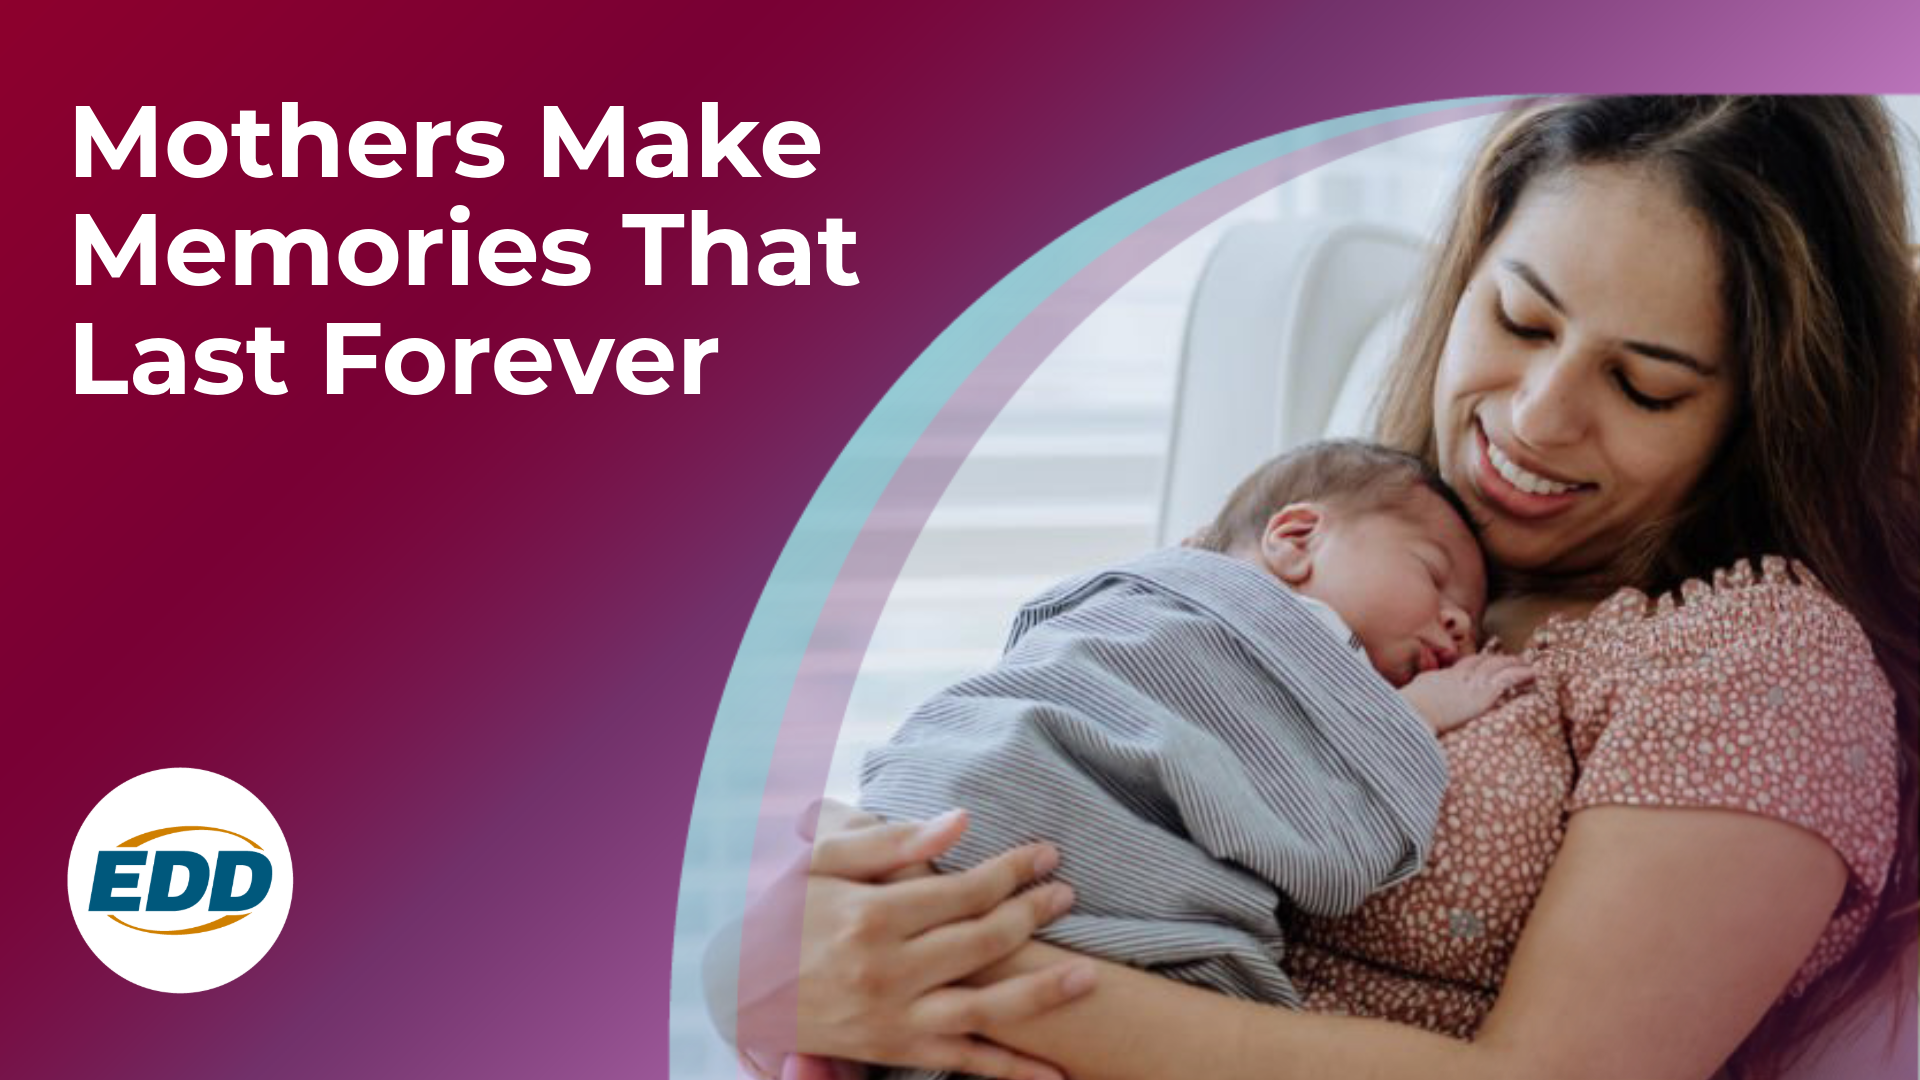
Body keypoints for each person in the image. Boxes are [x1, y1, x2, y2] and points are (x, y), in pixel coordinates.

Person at [751, 96, 1920, 1080]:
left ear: (1764, 414)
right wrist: (791, 959)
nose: (1537, 417)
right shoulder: (1330, 549)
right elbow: (1054, 763)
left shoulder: (1758, 662)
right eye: (1520, 320)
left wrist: (964, 985)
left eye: (1645, 386)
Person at [857, 441, 1533, 1062]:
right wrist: (1412, 719)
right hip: (1003, 800)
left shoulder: (1311, 677)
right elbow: (1333, 861)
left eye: (1473, 625)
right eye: (1434, 576)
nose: (1459, 624)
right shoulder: (1222, 617)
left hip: (932, 840)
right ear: (1296, 539)